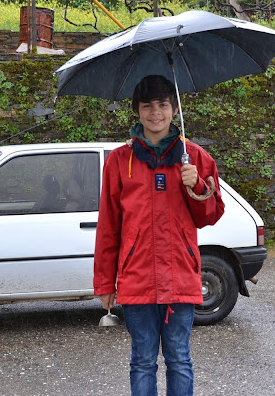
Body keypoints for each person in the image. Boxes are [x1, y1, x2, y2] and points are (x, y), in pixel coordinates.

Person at [94, 75, 225, 395]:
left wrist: (196, 184)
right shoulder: (118, 161)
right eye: (147, 106)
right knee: (142, 360)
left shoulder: (194, 157)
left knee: (179, 358)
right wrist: (105, 283)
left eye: (163, 105)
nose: (156, 113)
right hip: (136, 279)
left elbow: (210, 216)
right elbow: (109, 226)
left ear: (175, 109)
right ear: (136, 111)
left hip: (180, 276)